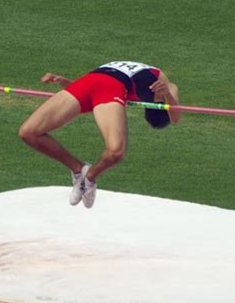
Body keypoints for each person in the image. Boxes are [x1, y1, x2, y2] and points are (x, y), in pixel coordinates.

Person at [19, 61, 180, 208]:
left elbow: (175, 117)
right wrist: (64, 82)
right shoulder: (162, 79)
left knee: (116, 151)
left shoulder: (168, 89)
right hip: (92, 81)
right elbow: (176, 117)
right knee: (28, 133)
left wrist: (168, 95)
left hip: (108, 90)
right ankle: (79, 170)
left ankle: (89, 177)